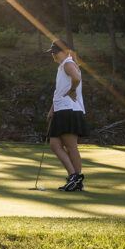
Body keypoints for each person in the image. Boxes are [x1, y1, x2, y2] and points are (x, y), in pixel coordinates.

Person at [45, 39, 88, 191]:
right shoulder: (63, 66)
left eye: (56, 52)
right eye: (53, 53)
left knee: (70, 146)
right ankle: (74, 177)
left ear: (65, 51)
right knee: (55, 144)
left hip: (69, 110)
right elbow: (59, 91)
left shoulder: (68, 63)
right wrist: (52, 109)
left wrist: (73, 91)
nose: (54, 55)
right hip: (62, 109)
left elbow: (77, 78)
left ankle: (76, 179)